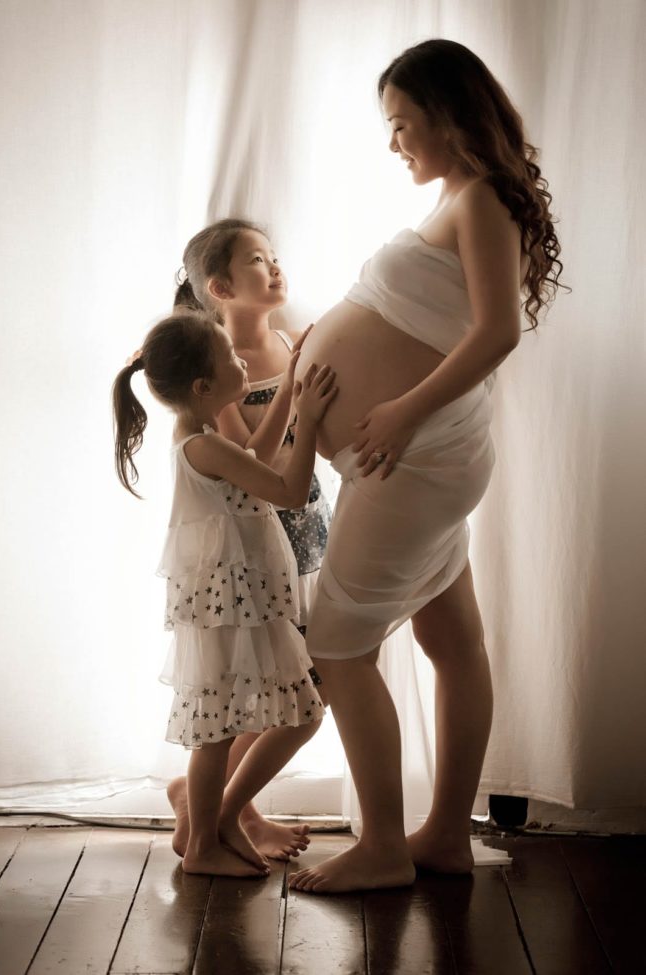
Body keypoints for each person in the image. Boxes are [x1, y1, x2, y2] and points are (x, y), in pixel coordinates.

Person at [288, 38, 565, 893]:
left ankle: (380, 844)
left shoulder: (481, 197)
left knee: (336, 643)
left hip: (416, 455)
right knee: (453, 639)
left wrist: (405, 408)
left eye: (405, 125)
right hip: (417, 461)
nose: (395, 142)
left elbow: (496, 333)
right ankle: (443, 832)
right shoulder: (460, 194)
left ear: (450, 117)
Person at [112, 311, 336, 876]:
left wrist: (287, 387)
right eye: (232, 360)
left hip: (240, 604)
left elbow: (256, 458)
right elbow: (285, 490)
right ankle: (204, 847)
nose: (243, 363)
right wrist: (306, 422)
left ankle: (217, 822)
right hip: (230, 611)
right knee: (225, 730)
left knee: (233, 726)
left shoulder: (202, 434)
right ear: (203, 387)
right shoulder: (202, 447)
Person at [165, 219, 332, 861]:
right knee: (272, 690)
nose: (275, 267)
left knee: (285, 686)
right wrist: (294, 390)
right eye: (258, 259)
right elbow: (252, 464)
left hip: (304, 537)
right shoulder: (218, 374)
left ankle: (218, 807)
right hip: (254, 549)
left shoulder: (289, 339)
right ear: (220, 287)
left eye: (274, 255)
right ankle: (226, 813)